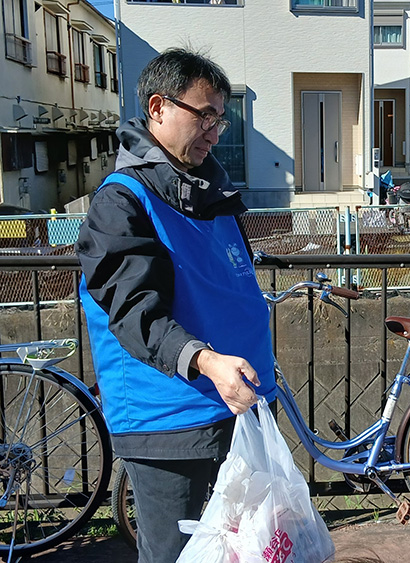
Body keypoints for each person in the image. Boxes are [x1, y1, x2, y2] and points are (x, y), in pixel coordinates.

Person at [76, 49, 276, 563]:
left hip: (235, 400)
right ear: (158, 107)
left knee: (244, 548)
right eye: (203, 114)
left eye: (220, 118)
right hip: (167, 416)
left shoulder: (208, 190)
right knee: (172, 554)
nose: (215, 130)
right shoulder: (120, 202)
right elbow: (133, 311)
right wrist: (208, 361)